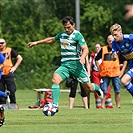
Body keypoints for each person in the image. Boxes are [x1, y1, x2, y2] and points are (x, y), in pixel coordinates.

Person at [28, 16, 103, 113]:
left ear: (73, 25)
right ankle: (55, 105)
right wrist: (36, 42)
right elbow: (51, 40)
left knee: (88, 88)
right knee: (55, 80)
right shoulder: (62, 35)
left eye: (69, 27)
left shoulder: (78, 35)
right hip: (65, 65)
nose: (67, 30)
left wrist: (82, 57)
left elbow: (85, 49)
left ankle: (96, 87)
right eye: (65, 28)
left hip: (77, 65)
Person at [95, 35, 127, 108]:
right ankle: (102, 106)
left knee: (117, 91)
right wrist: (99, 68)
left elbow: (125, 61)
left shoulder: (119, 49)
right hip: (105, 74)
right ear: (107, 41)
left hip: (115, 74)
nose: (110, 42)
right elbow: (96, 59)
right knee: (104, 91)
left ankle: (118, 106)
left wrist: (122, 71)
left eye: (112, 40)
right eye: (109, 40)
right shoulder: (103, 49)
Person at [110, 23, 133, 99]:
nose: (114, 37)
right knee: (125, 82)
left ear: (120, 32)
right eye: (113, 35)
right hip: (131, 66)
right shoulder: (114, 43)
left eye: (116, 35)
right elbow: (114, 57)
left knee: (124, 80)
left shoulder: (129, 38)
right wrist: (114, 56)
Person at [90, 43, 113, 108]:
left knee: (107, 88)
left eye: (98, 47)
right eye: (96, 47)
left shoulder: (105, 54)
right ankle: (99, 105)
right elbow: (90, 64)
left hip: (104, 73)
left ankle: (109, 105)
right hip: (96, 73)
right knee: (97, 88)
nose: (97, 49)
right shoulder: (93, 55)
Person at [0, 38, 23, 104]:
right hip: (0, 74)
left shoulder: (9, 50)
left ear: (5, 43)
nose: (0, 44)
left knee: (12, 90)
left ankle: (13, 104)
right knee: (1, 90)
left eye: (2, 43)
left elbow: (19, 58)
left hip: (8, 73)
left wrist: (14, 67)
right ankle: (2, 105)